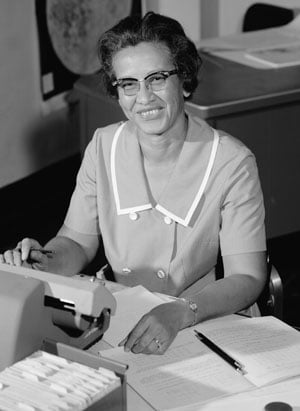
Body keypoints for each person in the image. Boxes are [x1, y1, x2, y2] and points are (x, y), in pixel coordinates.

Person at [0, 12, 267, 355]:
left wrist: (182, 311)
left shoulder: (231, 162)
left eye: (156, 78)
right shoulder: (103, 146)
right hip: (120, 315)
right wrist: (41, 262)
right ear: (118, 92)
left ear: (184, 81)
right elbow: (77, 244)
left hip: (202, 316)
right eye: (128, 84)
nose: (144, 97)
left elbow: (247, 277)